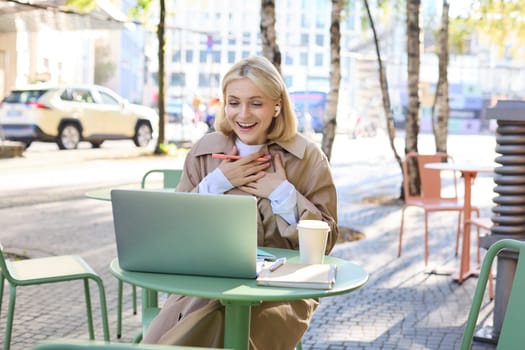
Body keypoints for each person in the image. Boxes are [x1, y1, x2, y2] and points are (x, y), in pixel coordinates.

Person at [142, 56, 339, 350]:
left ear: (277, 105)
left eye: (256, 103)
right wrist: (215, 184)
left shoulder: (307, 158)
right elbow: (174, 233)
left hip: (282, 291)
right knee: (205, 316)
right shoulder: (203, 153)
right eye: (234, 102)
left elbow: (327, 239)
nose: (243, 114)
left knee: (217, 324)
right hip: (205, 285)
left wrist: (283, 192)